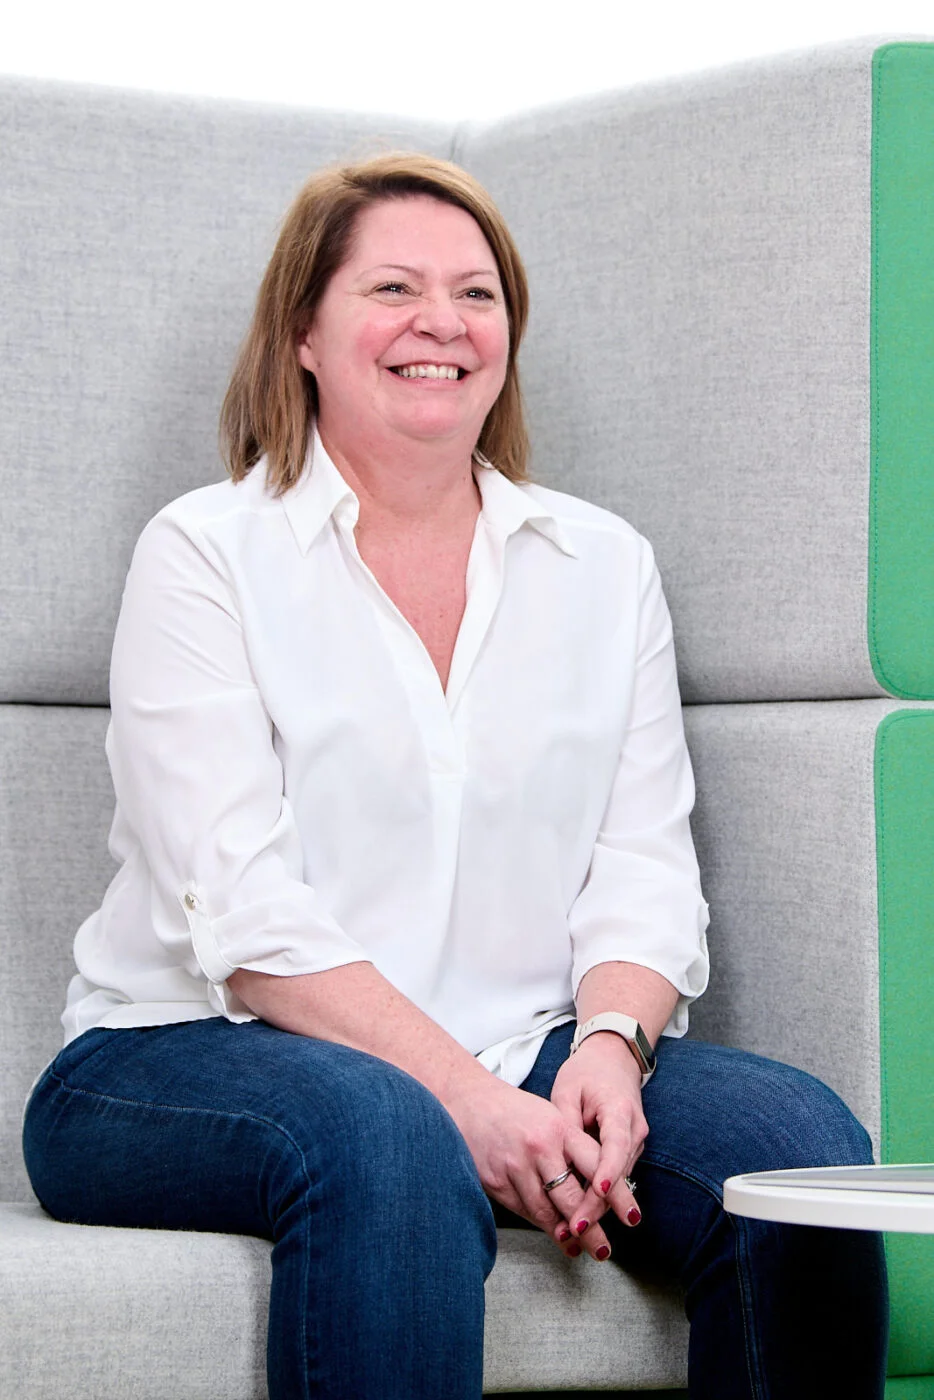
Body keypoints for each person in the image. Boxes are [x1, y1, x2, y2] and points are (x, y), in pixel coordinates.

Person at [23, 153, 887, 1400]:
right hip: (177, 1054)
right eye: (392, 287)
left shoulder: (602, 563)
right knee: (390, 1132)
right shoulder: (207, 551)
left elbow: (643, 860)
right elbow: (243, 912)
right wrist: (468, 1099)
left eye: (476, 294)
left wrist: (610, 1046)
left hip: (524, 1041)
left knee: (794, 1147)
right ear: (304, 332)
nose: (442, 322)